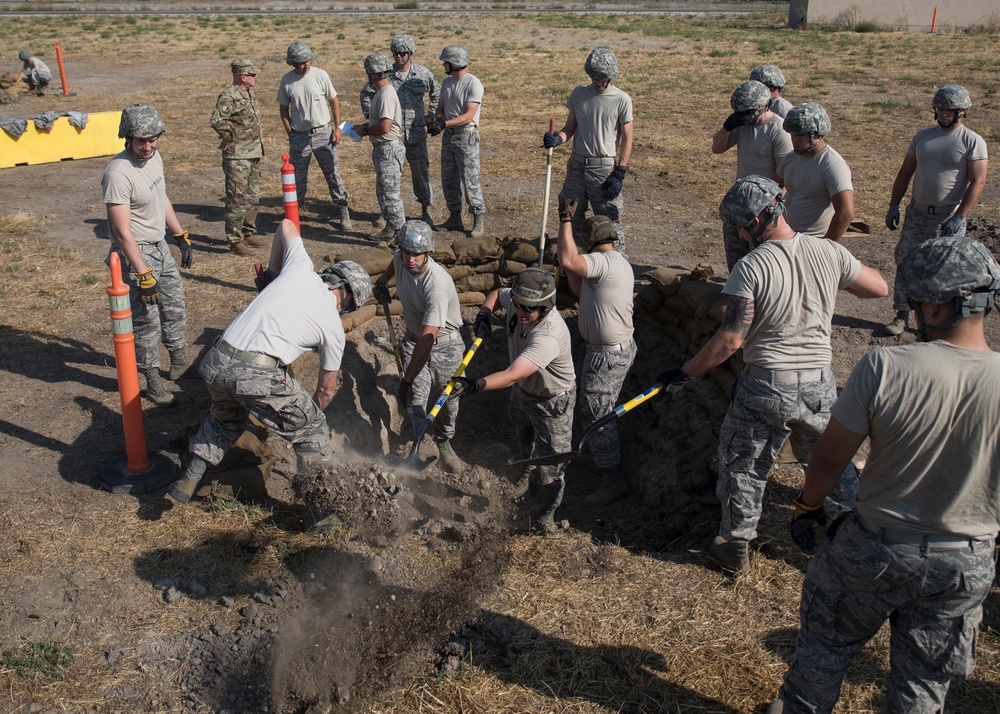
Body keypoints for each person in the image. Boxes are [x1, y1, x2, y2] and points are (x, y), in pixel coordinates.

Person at [770, 235, 1000, 714]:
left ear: (937, 305)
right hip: (964, 561)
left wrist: (808, 507)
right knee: (922, 684)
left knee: (824, 653)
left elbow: (830, 458)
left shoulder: (884, 366)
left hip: (876, 548)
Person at [657, 176, 887, 573]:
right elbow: (879, 288)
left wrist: (685, 372)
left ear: (761, 217)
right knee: (830, 461)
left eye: (742, 226)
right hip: (818, 383)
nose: (741, 235)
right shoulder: (828, 252)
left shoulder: (751, 267)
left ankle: (734, 543)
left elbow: (730, 340)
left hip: (767, 384)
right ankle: (852, 542)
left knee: (743, 466)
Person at [165, 219, 373, 532]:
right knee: (313, 428)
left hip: (215, 361)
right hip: (255, 372)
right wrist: (302, 420)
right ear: (349, 297)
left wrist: (272, 276)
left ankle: (190, 476)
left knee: (225, 419)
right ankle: (318, 515)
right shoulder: (332, 324)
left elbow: (287, 225)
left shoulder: (299, 268)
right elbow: (326, 391)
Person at [452, 268, 576, 531]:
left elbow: (510, 375)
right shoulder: (520, 302)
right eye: (518, 305)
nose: (520, 311)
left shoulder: (549, 335)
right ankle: (527, 470)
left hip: (552, 403)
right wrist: (484, 314)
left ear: (544, 307)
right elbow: (497, 294)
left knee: (552, 464)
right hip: (523, 392)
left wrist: (475, 385)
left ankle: (545, 516)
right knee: (524, 437)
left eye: (528, 309)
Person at [102, 103, 194, 408]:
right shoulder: (118, 173)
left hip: (160, 247)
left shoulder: (155, 158)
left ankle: (178, 362)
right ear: (127, 137)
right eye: (141, 140)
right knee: (147, 321)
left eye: (153, 138)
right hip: (136, 255)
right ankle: (152, 381)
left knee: (175, 304)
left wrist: (179, 234)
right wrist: (142, 273)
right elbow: (121, 232)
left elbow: (161, 195)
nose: (148, 145)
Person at [883, 84, 988, 336]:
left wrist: (960, 216)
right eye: (940, 109)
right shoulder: (922, 137)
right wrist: (894, 204)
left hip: (949, 216)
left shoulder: (972, 141)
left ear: (962, 112)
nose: (943, 114)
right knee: (906, 261)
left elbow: (979, 181)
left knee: (946, 269)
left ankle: (942, 321)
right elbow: (906, 171)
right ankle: (901, 314)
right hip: (917, 214)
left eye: (949, 110)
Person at [555, 200, 635, 506]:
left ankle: (612, 476)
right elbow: (577, 286)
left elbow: (570, 262)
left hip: (609, 354)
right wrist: (569, 263)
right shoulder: (609, 264)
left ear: (591, 241)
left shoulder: (608, 262)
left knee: (599, 412)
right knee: (593, 409)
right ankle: (599, 455)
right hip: (602, 351)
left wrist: (564, 220)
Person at [373, 220, 465, 472]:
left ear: (427, 253)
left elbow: (429, 339)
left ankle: (444, 442)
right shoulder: (401, 259)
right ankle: (415, 445)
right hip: (415, 340)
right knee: (415, 398)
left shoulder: (436, 286)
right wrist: (382, 283)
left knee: (447, 401)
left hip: (444, 347)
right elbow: (394, 262)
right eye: (406, 253)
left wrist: (405, 378)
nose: (410, 260)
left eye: (416, 254)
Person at [544, 48, 634, 258]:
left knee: (608, 219)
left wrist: (620, 171)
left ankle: (617, 264)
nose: (596, 82)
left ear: (610, 77)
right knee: (570, 215)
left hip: (602, 169)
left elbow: (628, 139)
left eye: (601, 79)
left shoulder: (622, 99)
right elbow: (570, 129)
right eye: (593, 77)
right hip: (576, 166)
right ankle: (574, 261)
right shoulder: (579, 94)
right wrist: (557, 139)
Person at [360, 34, 440, 229]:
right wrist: (372, 116)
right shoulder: (386, 74)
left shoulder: (422, 73)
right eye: (395, 53)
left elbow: (437, 92)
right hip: (391, 136)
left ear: (410, 53)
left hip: (415, 134)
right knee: (388, 179)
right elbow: (366, 94)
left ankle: (425, 210)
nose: (399, 57)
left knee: (420, 173)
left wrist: (430, 116)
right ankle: (386, 213)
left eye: (403, 53)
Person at [712, 80, 793, 270]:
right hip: (740, 204)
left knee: (762, 264)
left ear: (762, 107)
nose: (744, 117)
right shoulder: (742, 124)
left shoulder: (779, 130)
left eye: (747, 112)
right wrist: (727, 127)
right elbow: (716, 148)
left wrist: (762, 203)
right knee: (737, 264)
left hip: (763, 209)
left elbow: (785, 175)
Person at [277, 41, 352, 230]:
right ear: (293, 64)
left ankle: (343, 210)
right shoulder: (287, 81)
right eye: (302, 62)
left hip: (323, 134)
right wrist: (290, 132)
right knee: (297, 177)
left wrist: (337, 129)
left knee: (333, 174)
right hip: (299, 137)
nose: (306, 65)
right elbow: (283, 109)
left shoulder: (321, 75)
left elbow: (334, 103)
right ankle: (294, 214)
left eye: (308, 60)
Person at [211, 58, 268, 256]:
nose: (255, 77)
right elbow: (218, 120)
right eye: (252, 74)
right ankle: (235, 240)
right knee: (237, 199)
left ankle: (247, 232)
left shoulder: (248, 93)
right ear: (242, 76)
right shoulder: (229, 96)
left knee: (252, 197)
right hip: (238, 156)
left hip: (253, 153)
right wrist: (230, 137)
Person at [427, 45, 485, 238]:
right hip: (449, 135)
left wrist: (444, 123)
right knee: (448, 178)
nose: (443, 64)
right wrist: (437, 120)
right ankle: (454, 217)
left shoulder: (473, 84)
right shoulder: (447, 83)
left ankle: (478, 218)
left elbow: (469, 115)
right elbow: (441, 107)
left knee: (469, 179)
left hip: (466, 135)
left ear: (454, 63)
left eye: (446, 62)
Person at [775, 102, 854, 241]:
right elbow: (772, 187)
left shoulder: (833, 165)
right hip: (786, 238)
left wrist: (825, 246)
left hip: (813, 242)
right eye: (793, 134)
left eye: (801, 135)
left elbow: (846, 213)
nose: (795, 140)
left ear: (818, 134)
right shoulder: (791, 158)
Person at [356, 53, 406, 244]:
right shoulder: (382, 92)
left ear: (373, 73)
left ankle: (401, 237)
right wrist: (362, 127)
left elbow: (385, 127)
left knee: (391, 195)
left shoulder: (385, 94)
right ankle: (391, 230)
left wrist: (365, 130)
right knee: (383, 192)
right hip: (383, 148)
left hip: (388, 149)